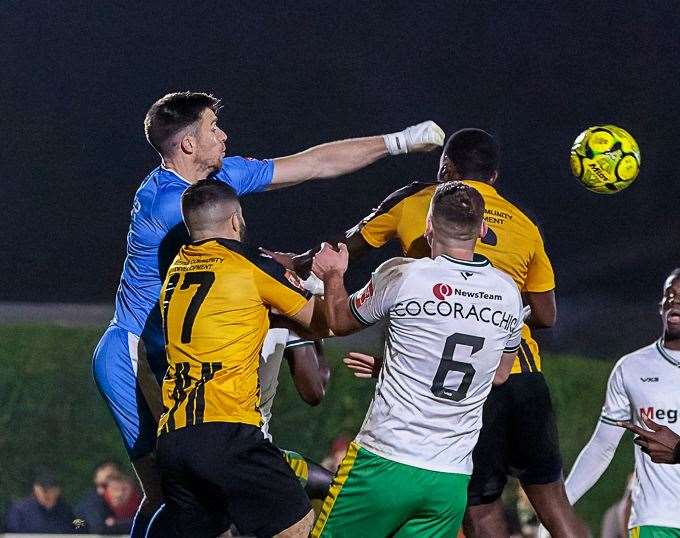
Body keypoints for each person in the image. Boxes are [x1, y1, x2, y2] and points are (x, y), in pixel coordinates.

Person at [91, 90, 444, 536]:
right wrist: (302, 277)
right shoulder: (172, 204)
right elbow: (244, 266)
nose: (223, 135)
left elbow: (312, 163)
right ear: (187, 146)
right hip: (135, 353)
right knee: (169, 495)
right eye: (212, 128)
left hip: (172, 358)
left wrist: (400, 141)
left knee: (192, 499)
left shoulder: (210, 186)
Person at [270, 128, 587, 537]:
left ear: (444, 173)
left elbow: (344, 272)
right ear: (492, 181)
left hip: (408, 440)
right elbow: (543, 315)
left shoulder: (411, 232)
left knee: (481, 510)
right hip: (512, 386)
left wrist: (305, 267)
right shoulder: (520, 241)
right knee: (553, 501)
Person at [309, 181, 524, 537]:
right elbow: (498, 374)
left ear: (428, 226)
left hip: (385, 463)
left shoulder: (403, 274)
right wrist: (396, 370)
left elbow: (338, 321)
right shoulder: (508, 294)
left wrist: (333, 276)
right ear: (483, 230)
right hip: (449, 479)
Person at [155, 179, 332, 537]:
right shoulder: (254, 270)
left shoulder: (175, 271)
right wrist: (325, 281)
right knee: (304, 521)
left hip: (175, 439)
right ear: (236, 220)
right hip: (231, 432)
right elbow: (325, 330)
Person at [558, 269, 680, 538]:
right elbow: (601, 447)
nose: (675, 301)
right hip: (656, 519)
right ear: (661, 305)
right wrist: (559, 506)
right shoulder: (632, 368)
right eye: (669, 295)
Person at [5, 470, 76, 534]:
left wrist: (82, 521)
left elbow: (80, 529)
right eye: (44, 490)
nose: (47, 494)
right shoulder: (18, 511)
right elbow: (11, 533)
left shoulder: (66, 511)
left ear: (58, 490)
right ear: (36, 488)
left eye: (51, 489)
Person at [74, 460, 121, 534]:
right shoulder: (91, 501)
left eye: (114, 477)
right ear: (96, 478)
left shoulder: (109, 500)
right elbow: (98, 528)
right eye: (103, 468)